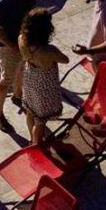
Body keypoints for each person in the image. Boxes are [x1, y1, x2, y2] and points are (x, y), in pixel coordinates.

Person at [0, 0, 40, 133]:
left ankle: (18, 96)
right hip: (10, 46)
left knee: (21, 70)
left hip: (23, 42)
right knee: (6, 80)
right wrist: (11, 45)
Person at [19, 8, 68, 145]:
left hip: (30, 79)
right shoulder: (49, 51)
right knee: (40, 122)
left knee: (30, 111)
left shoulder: (22, 39)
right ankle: (36, 146)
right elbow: (65, 59)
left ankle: (31, 140)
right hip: (44, 88)